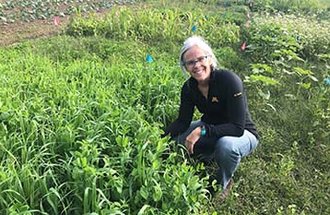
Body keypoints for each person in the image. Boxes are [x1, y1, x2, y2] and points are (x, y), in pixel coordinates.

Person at [162, 36, 259, 200]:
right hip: (211, 127)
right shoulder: (188, 88)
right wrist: (159, 137)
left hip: (243, 133)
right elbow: (182, 122)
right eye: (190, 62)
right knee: (177, 140)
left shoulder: (229, 80)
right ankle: (210, 154)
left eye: (200, 59)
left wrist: (202, 131)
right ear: (185, 67)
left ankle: (224, 182)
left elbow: (237, 127)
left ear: (210, 58)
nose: (197, 65)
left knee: (226, 145)